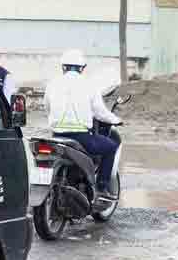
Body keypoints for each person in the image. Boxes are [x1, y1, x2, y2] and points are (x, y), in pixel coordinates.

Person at [45, 48, 121, 193]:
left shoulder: (52, 84)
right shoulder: (90, 84)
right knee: (111, 147)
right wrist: (115, 119)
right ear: (82, 68)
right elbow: (100, 112)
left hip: (57, 137)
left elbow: (47, 108)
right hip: (81, 138)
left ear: (63, 67)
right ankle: (101, 187)